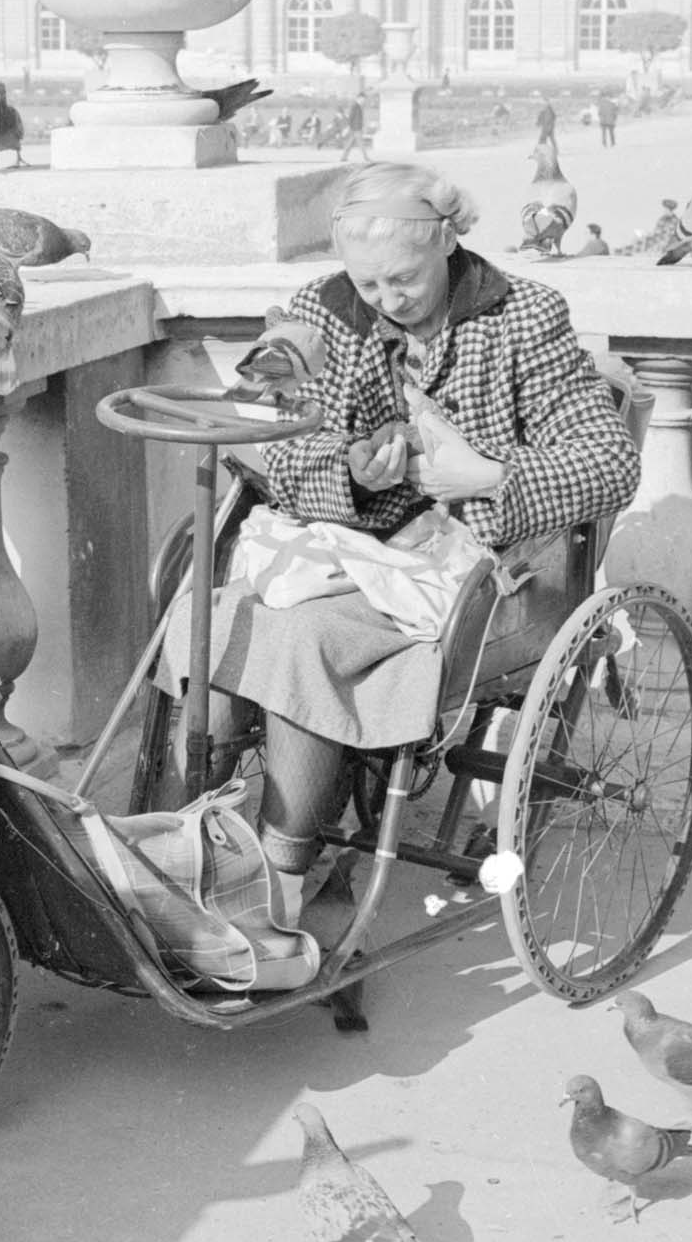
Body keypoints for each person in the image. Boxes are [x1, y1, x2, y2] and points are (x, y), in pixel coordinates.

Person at [161, 160, 640, 920]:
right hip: (345, 546)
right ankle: (192, 845)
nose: (385, 302)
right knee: (214, 623)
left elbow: (610, 464)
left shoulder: (524, 318)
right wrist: (351, 475)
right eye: (370, 285)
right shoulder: (324, 312)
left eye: (403, 282)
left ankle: (276, 885)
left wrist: (484, 474)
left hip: (471, 569)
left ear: (448, 240)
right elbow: (267, 435)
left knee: (302, 637)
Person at [338, 92, 371, 162]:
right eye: (363, 99)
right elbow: (351, 117)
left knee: (349, 144)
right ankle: (366, 157)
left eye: (364, 100)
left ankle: (343, 158)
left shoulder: (358, 106)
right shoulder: (355, 106)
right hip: (356, 129)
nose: (364, 101)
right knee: (361, 144)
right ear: (359, 98)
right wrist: (348, 127)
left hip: (355, 128)